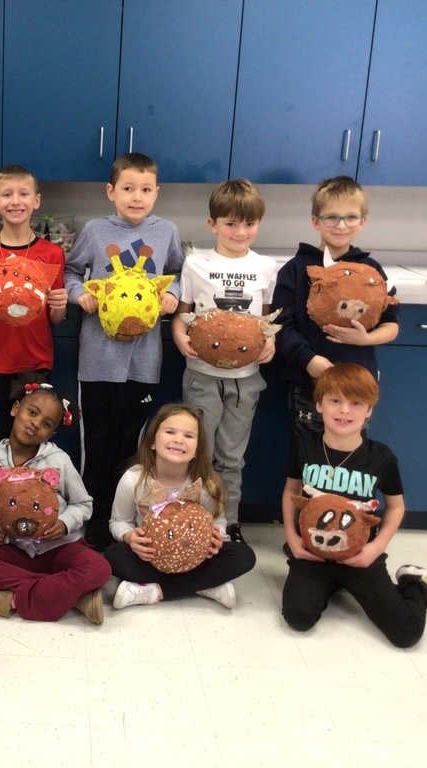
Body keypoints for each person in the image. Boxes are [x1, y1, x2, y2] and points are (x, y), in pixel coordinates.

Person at [281, 364, 427, 647]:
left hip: (360, 555)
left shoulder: (381, 457)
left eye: (356, 403)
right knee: (298, 618)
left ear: (369, 410)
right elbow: (291, 491)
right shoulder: (305, 445)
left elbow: (396, 507)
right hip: (313, 553)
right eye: (335, 401)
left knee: (406, 635)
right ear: (319, 405)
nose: (344, 410)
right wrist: (292, 538)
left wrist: (375, 548)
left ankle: (417, 586)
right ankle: (333, 583)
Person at [63, 152, 184, 549]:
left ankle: (125, 520)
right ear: (111, 191)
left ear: (156, 193)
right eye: (128, 188)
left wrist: (172, 294)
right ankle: (94, 520)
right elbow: (70, 271)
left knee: (132, 444)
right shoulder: (96, 230)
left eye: (146, 190)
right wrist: (79, 294)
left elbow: (178, 273)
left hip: (143, 362)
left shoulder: (166, 231)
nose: (137, 197)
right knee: (96, 442)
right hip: (98, 360)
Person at [171, 179, 278, 544]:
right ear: (212, 224)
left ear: (259, 224)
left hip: (245, 379)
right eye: (231, 223)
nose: (240, 231)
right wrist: (180, 336)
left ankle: (228, 522)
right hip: (202, 374)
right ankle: (195, 519)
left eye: (249, 223)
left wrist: (271, 340)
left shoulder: (266, 267)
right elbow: (182, 313)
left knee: (231, 457)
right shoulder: (196, 264)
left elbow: (267, 318)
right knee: (196, 451)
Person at [0, 380, 111, 624]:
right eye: (32, 412)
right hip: (14, 551)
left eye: (46, 424)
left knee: (100, 568)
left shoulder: (59, 461)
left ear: (51, 434)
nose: (36, 423)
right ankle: (72, 597)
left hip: (58, 550)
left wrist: (64, 523)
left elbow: (83, 504)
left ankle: (5, 600)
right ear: (15, 408)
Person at [272, 176, 399, 438]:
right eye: (331, 217)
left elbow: (391, 324)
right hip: (309, 382)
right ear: (315, 221)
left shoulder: (371, 271)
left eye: (350, 217)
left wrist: (365, 339)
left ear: (363, 221)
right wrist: (309, 360)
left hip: (356, 385)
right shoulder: (295, 269)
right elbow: (282, 326)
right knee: (306, 451)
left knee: (349, 452)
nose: (341, 225)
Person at [105, 404, 255, 610]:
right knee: (114, 557)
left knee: (244, 555)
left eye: (189, 436)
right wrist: (130, 537)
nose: (178, 440)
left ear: (197, 450)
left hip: (196, 558)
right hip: (151, 557)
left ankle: (155, 590)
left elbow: (218, 522)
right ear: (152, 442)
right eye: (170, 432)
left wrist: (217, 537)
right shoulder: (134, 479)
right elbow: (118, 522)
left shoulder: (206, 484)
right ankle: (203, 585)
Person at [0, 165, 68, 449]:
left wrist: (59, 305)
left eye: (23, 194)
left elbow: (55, 318)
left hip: (35, 361)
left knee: (33, 438)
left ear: (36, 200)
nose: (15, 201)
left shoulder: (52, 253)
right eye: (7, 194)